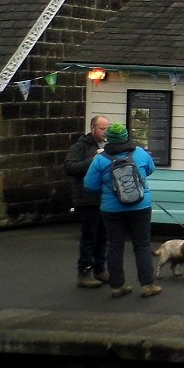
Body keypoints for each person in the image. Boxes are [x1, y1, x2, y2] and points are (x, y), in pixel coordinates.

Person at [83, 123, 159, 298]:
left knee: (115, 246)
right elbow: (150, 170)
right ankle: (148, 285)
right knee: (142, 245)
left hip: (112, 208)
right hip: (140, 205)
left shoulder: (100, 159)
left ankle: (118, 286)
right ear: (126, 136)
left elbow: (90, 184)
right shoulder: (139, 153)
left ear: (108, 138)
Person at [64, 114, 109, 288]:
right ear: (93, 128)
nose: (105, 132)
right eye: (102, 128)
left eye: (107, 128)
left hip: (103, 198)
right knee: (89, 237)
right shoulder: (80, 146)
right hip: (87, 198)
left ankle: (100, 270)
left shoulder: (107, 146)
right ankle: (84, 272)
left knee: (103, 236)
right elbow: (69, 167)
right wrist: (93, 161)